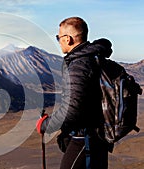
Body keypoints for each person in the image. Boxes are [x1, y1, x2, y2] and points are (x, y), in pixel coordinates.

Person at [36, 17, 113, 169]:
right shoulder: (93, 59)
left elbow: (73, 109)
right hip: (97, 139)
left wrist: (46, 124)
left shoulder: (80, 65)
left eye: (58, 37)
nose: (58, 41)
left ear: (68, 39)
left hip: (84, 139)